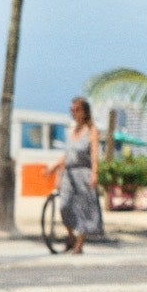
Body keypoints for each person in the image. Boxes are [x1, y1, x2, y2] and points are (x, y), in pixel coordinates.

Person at [52, 97, 102, 254]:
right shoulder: (71, 131)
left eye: (77, 110)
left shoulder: (91, 130)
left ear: (84, 112)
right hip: (68, 174)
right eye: (72, 110)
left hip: (84, 173)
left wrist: (94, 173)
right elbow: (66, 156)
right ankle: (71, 238)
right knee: (64, 206)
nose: (73, 113)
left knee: (84, 209)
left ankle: (79, 245)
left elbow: (94, 155)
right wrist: (55, 170)